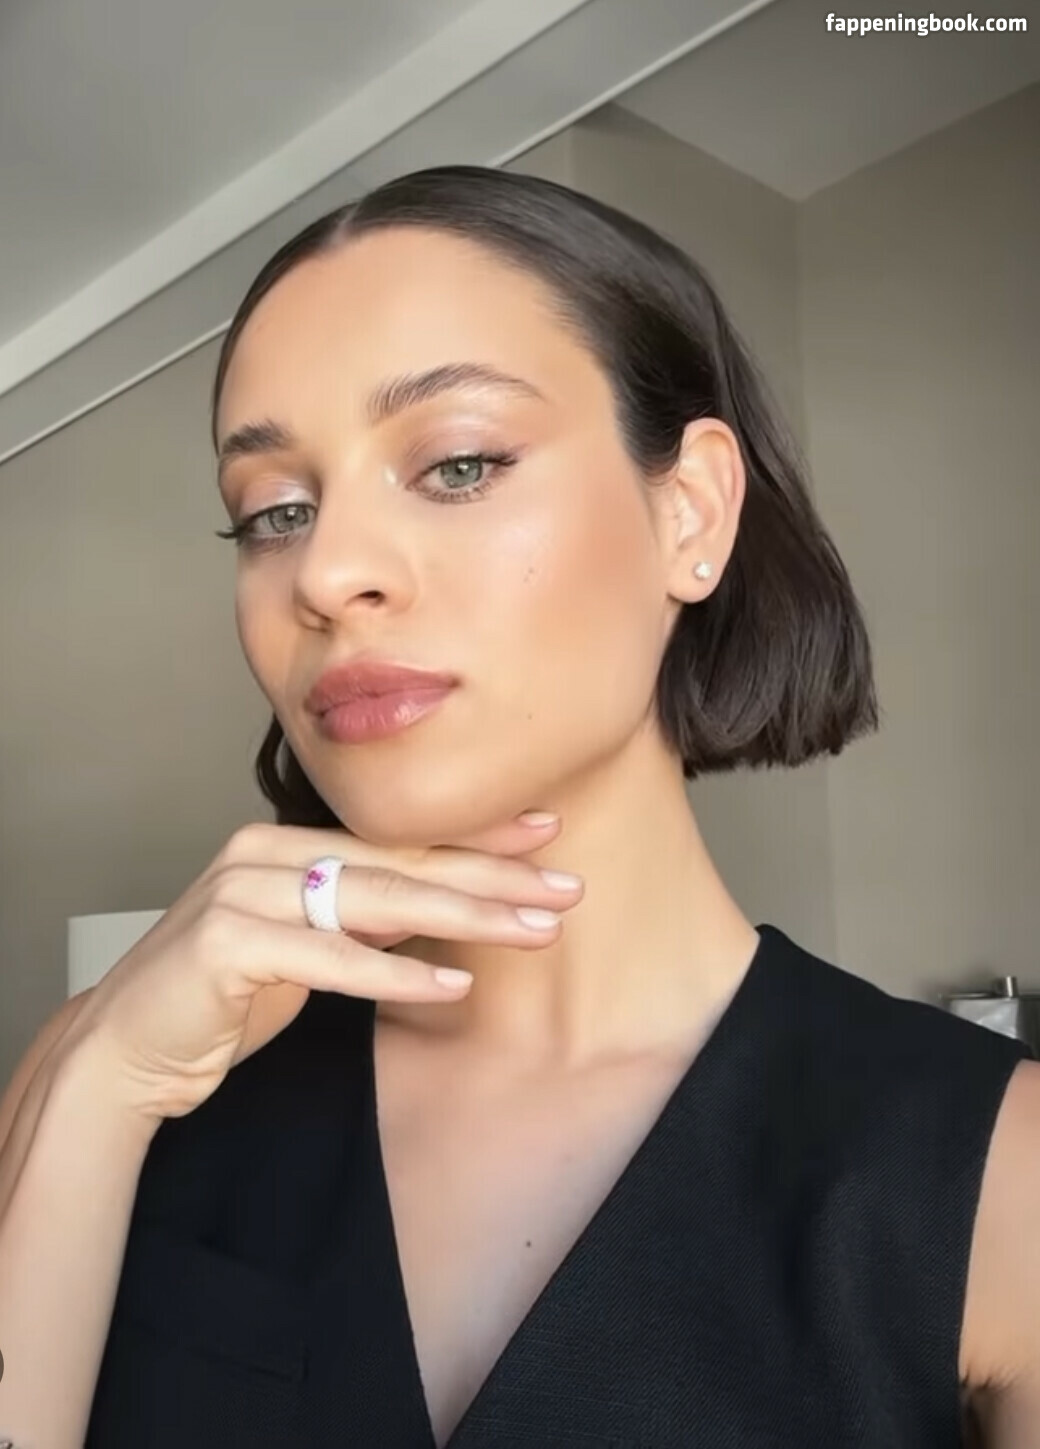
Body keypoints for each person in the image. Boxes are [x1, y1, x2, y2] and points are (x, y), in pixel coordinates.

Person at [0, 165, 1037, 1449]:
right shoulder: (113, 1073)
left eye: (457, 464)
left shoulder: (998, 1168)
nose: (325, 571)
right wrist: (95, 1092)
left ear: (690, 510)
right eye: (273, 511)